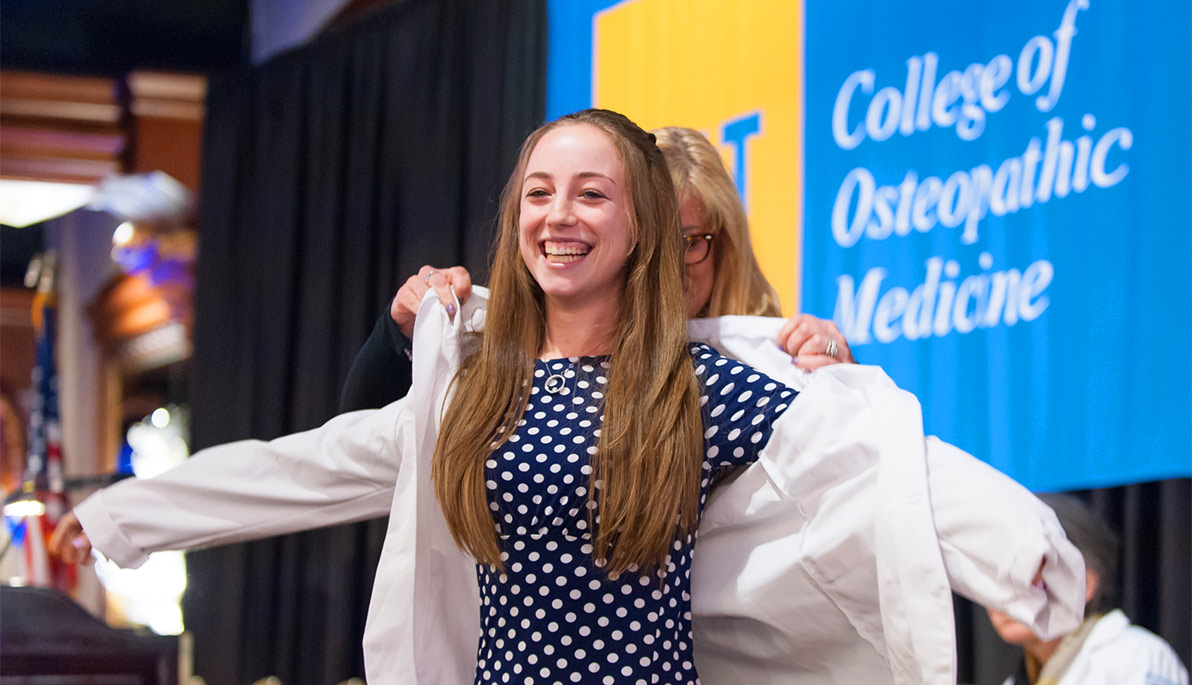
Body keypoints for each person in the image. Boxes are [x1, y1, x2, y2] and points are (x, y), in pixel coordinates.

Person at [51, 109, 1085, 685]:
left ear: (638, 228)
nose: (559, 215)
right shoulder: (478, 385)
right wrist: (130, 515)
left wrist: (1024, 548)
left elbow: (874, 458)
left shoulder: (695, 385)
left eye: (592, 193)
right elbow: (317, 464)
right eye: (540, 192)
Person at [338, 125, 852, 414]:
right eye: (650, 242)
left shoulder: (755, 360)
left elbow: (851, 477)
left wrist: (838, 375)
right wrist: (404, 333)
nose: (665, 266)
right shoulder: (529, 353)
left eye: (688, 243)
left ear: (725, 250)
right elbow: (363, 438)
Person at [987, 494, 1188, 685]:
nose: (1003, 596)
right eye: (992, 573)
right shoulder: (1016, 680)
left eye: (1026, 574)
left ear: (1085, 582)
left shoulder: (1137, 656)